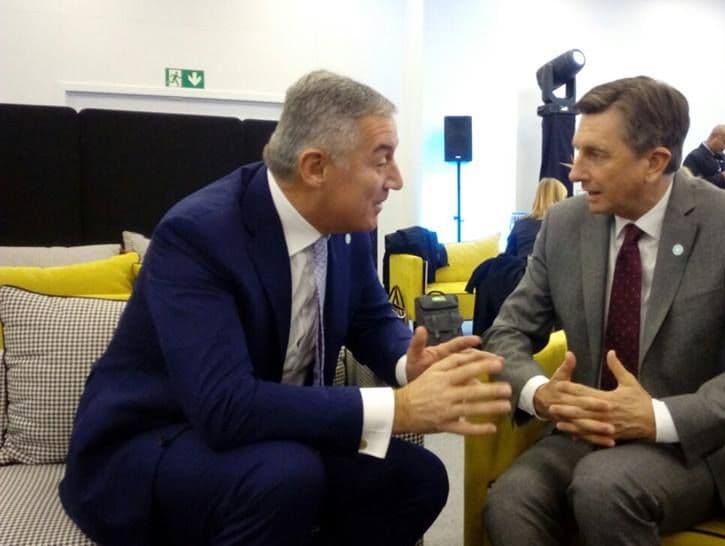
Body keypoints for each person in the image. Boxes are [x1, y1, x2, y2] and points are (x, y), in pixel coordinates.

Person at [59, 70, 513, 546]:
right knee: (286, 475)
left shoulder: (349, 228)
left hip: (275, 435)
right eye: (382, 160)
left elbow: (370, 318)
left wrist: (408, 361)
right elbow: (224, 406)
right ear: (315, 167)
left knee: (418, 479)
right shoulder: (198, 236)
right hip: (157, 439)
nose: (396, 180)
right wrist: (397, 408)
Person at [482, 75, 725, 546]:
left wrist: (656, 417)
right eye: (577, 152)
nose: (575, 173)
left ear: (654, 161)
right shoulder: (564, 223)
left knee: (604, 487)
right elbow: (507, 332)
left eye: (596, 155)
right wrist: (540, 394)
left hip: (692, 445)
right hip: (585, 432)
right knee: (510, 500)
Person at [505, 177, 567, 258]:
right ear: (559, 200)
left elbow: (508, 256)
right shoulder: (563, 226)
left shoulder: (520, 224)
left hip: (522, 265)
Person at [681, 124, 725, 190]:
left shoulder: (724, 158)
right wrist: (722, 177)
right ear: (714, 137)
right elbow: (689, 187)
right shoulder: (693, 157)